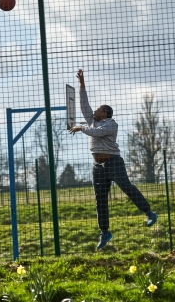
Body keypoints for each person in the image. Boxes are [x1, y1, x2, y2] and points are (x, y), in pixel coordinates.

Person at [69, 69, 158, 248]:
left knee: (126, 186)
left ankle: (149, 212)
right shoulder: (92, 120)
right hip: (98, 167)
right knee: (100, 199)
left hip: (113, 162)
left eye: (98, 109)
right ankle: (105, 232)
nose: (94, 110)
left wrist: (81, 128)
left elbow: (97, 133)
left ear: (105, 113)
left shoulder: (110, 124)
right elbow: (84, 105)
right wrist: (82, 85)